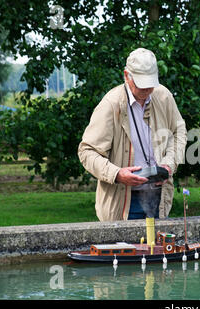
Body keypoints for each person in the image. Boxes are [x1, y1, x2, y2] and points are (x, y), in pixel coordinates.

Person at [78, 48, 187, 221]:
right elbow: (87, 152)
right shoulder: (110, 104)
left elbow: (179, 132)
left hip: (159, 196)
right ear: (126, 75)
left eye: (150, 84)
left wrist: (168, 164)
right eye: (141, 84)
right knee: (127, 248)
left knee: (156, 248)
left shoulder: (164, 96)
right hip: (124, 201)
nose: (147, 90)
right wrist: (117, 174)